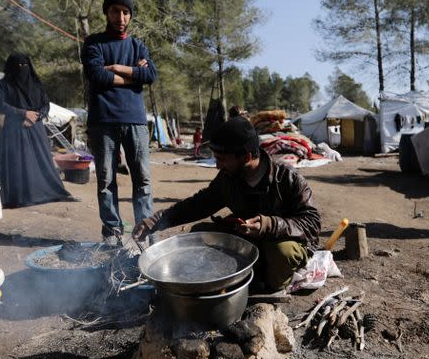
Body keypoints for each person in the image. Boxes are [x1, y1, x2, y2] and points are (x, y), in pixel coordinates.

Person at [133, 117, 321, 291]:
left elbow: (312, 222)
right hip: (247, 238)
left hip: (281, 241)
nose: (217, 166)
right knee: (199, 235)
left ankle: (272, 287)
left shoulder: (287, 178)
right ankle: (245, 276)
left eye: (221, 160)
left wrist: (268, 225)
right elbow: (198, 204)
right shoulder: (228, 178)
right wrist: (154, 221)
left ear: (246, 157)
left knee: (281, 252)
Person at [82, 0, 157, 246]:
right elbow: (96, 74)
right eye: (116, 11)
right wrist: (132, 77)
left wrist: (116, 68)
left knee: (142, 180)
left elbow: (150, 75)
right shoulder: (94, 43)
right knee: (106, 180)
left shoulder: (138, 46)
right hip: (103, 121)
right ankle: (113, 233)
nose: (121, 18)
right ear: (107, 12)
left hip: (135, 121)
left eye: (126, 12)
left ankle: (144, 230)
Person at [0, 53, 72, 207]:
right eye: (18, 66)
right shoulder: (4, 84)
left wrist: (36, 116)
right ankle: (20, 196)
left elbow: (46, 104)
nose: (22, 69)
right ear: (11, 68)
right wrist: (23, 114)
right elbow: (1, 105)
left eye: (25, 65)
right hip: (15, 128)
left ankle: (43, 191)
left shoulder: (36, 83)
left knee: (40, 160)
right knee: (18, 162)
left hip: (35, 127)